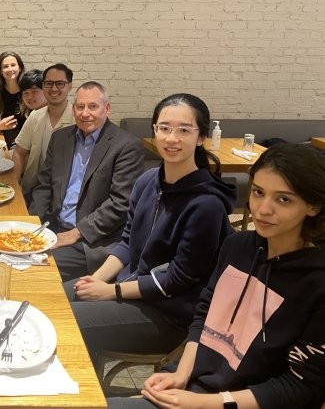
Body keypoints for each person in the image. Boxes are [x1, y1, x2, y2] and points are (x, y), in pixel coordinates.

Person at [109, 143, 325, 409]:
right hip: (198, 390)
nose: (263, 209)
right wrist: (181, 373)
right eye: (258, 192)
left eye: (284, 199)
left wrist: (207, 403)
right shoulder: (237, 247)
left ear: (313, 206)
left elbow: (302, 385)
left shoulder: (316, 282)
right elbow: (205, 314)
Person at [66, 93, 236, 370]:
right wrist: (95, 281)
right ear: (154, 130)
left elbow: (177, 280)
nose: (171, 138)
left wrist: (111, 292)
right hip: (131, 288)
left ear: (201, 136)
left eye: (184, 130)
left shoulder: (206, 205)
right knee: (53, 297)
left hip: (169, 314)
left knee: (65, 318)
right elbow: (126, 243)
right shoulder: (148, 181)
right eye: (164, 128)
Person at [29, 81, 144, 281]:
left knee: (33, 268)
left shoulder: (126, 146)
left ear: (106, 109)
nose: (85, 113)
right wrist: (31, 225)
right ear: (73, 109)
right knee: (9, 254)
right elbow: (44, 186)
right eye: (80, 107)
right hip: (53, 227)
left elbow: (121, 204)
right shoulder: (61, 138)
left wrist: (76, 232)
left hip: (92, 240)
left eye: (93, 106)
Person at [13, 63, 75, 204]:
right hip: (33, 189)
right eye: (48, 84)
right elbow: (19, 152)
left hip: (65, 195)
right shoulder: (35, 116)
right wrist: (16, 186)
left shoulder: (78, 119)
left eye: (60, 83)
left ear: (70, 86)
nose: (53, 89)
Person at [0, 51, 25, 148]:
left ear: (20, 68)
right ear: (0, 71)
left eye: (13, 65)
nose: (10, 69)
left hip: (24, 142)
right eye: (5, 66)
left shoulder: (27, 90)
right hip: (2, 140)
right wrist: (0, 127)